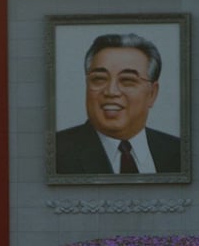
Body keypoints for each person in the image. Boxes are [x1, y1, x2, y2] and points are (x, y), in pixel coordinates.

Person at [55, 33, 181, 175]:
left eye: (127, 80)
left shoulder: (179, 151)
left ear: (152, 93)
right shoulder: (55, 152)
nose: (111, 91)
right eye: (99, 79)